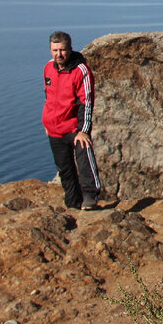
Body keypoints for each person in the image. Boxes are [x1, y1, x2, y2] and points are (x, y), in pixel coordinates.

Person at [42, 31, 102, 210]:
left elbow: (86, 102)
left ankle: (90, 195)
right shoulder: (48, 68)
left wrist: (83, 129)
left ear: (70, 49)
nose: (58, 54)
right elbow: (48, 95)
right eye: (54, 50)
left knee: (84, 160)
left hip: (74, 127)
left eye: (62, 50)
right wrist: (47, 123)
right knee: (64, 169)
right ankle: (73, 202)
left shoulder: (81, 70)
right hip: (54, 128)